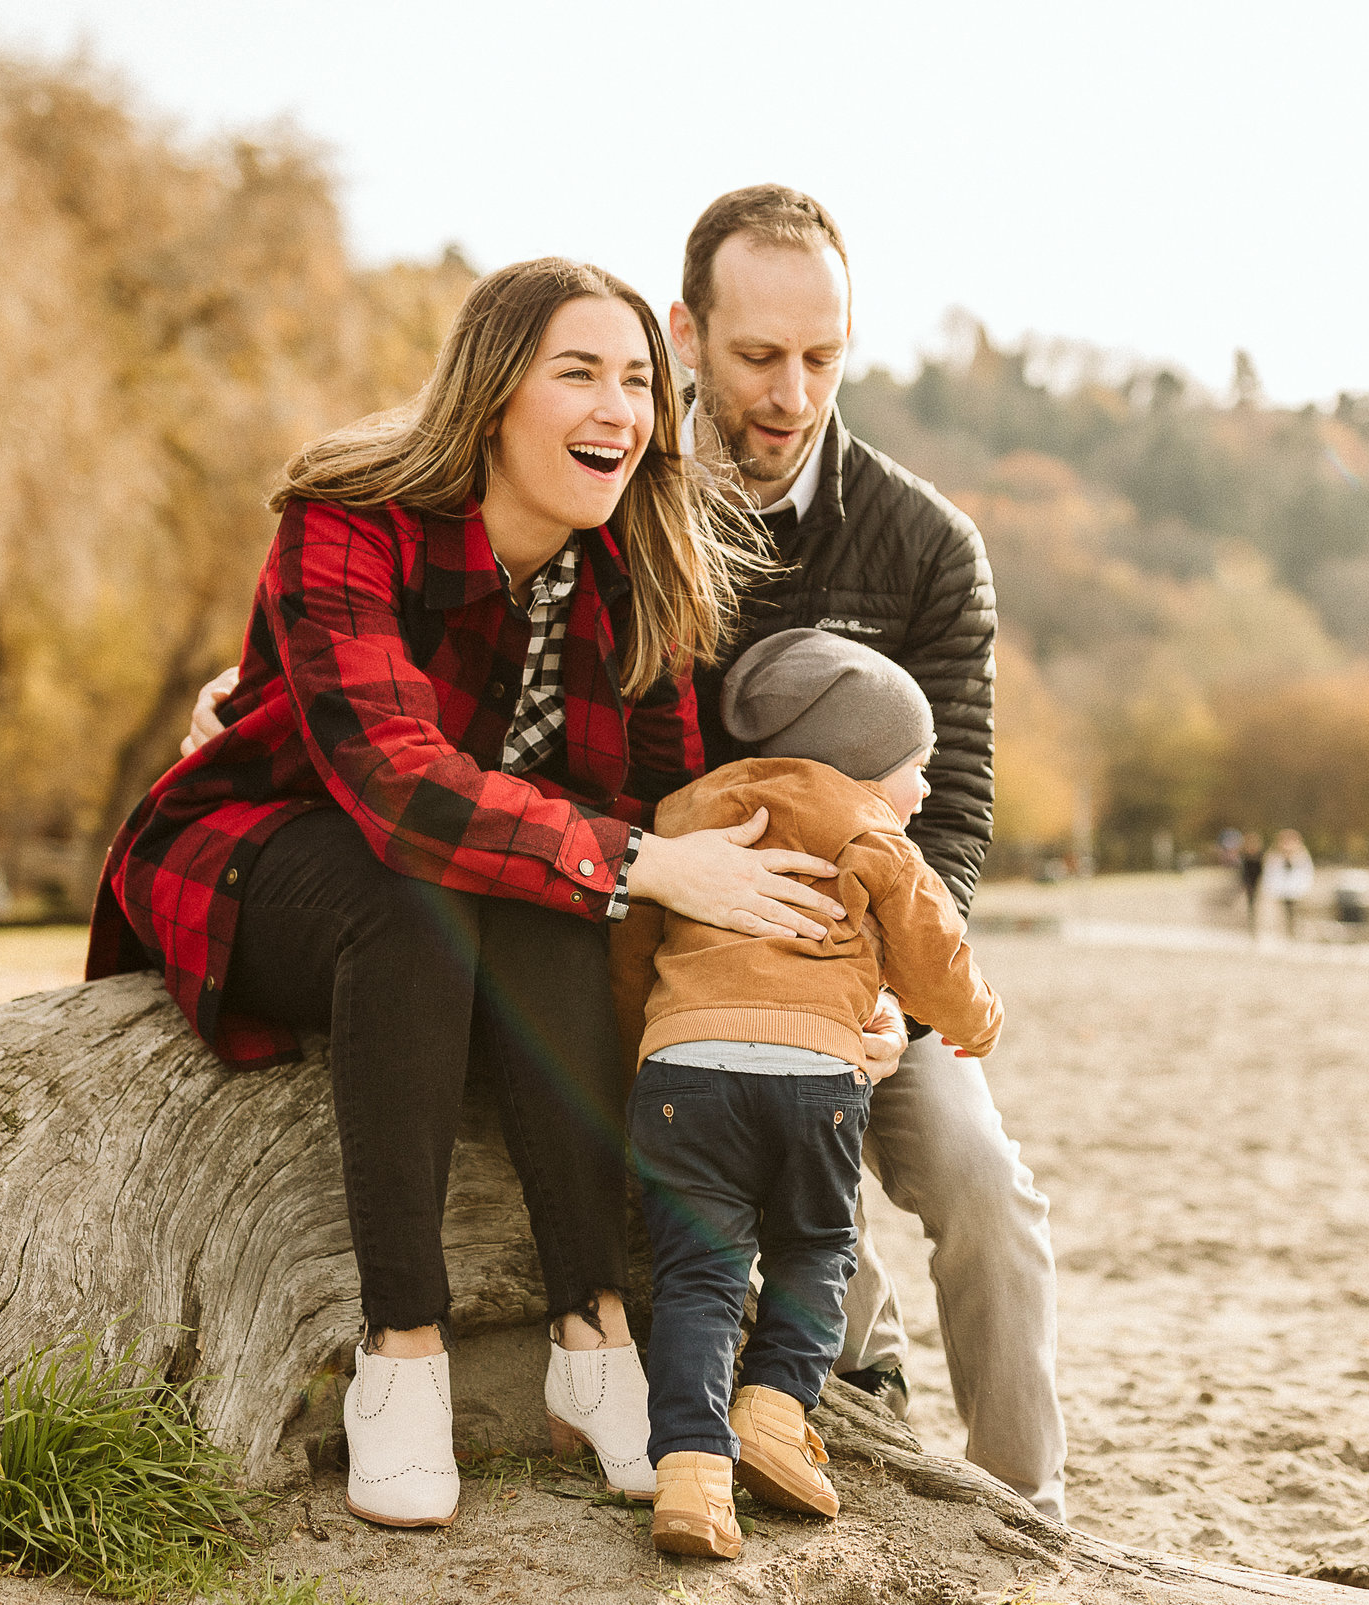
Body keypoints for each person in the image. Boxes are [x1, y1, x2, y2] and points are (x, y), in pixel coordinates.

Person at [185, 185, 1068, 1519]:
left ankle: (1015, 1498)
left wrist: (881, 972)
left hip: (840, 936)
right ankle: (772, 1374)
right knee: (588, 977)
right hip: (528, 891)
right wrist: (272, 701)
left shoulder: (883, 546)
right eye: (756, 356)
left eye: (822, 358)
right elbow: (482, 774)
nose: (790, 392)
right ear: (694, 334)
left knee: (979, 1177)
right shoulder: (557, 509)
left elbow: (926, 807)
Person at [87, 257, 903, 1532]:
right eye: (577, 372)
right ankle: (402, 1350)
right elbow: (399, 784)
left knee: (550, 882)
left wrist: (830, 986)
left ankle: (595, 1339)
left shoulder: (642, 567)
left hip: (493, 888)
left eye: (637, 380)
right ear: (490, 397)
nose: (618, 410)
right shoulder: (346, 520)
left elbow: (679, 815)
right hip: (271, 852)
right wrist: (634, 860)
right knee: (432, 883)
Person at [616, 629, 1004, 1560]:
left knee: (698, 1276)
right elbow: (931, 948)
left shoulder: (682, 815)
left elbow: (629, 950)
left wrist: (648, 1039)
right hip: (809, 1082)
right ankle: (774, 1414)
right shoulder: (864, 826)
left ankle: (692, 1477)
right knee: (817, 1250)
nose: (924, 790)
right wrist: (976, 1019)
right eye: (917, 767)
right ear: (863, 762)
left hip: (683, 1073)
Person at [1263, 829, 1314, 937]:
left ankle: (1294, 932)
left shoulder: (1301, 857)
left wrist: (1304, 888)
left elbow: (1307, 873)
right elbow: (1270, 874)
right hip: (1281, 891)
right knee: (1283, 913)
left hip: (1297, 891)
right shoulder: (1274, 857)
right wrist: (1272, 889)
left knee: (1295, 913)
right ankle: (1284, 932)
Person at [1238, 831, 1266, 932]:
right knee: (1250, 904)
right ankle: (1250, 925)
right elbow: (1242, 872)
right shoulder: (1244, 857)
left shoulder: (1261, 856)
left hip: (1258, 883)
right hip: (1248, 883)